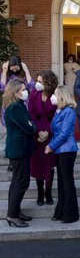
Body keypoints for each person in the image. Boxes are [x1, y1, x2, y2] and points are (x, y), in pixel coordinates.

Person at [3, 79, 36, 227]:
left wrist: (30, 124)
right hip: (18, 149)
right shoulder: (15, 107)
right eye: (22, 89)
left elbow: (28, 123)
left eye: (25, 89)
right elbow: (28, 127)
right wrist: (32, 127)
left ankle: (15, 211)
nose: (25, 92)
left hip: (20, 149)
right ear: (14, 92)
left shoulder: (19, 105)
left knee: (18, 181)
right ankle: (12, 215)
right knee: (21, 182)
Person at [45, 85, 79, 223]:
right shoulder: (59, 110)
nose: (53, 96)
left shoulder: (69, 111)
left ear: (62, 95)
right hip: (60, 150)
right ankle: (61, 211)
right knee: (61, 182)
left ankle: (70, 214)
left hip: (67, 150)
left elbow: (64, 133)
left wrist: (50, 146)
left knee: (67, 182)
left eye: (55, 93)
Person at [28, 70, 58, 206]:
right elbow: (31, 114)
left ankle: (48, 192)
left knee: (49, 165)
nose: (37, 84)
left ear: (48, 83)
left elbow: (56, 116)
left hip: (51, 134)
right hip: (37, 135)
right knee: (38, 163)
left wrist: (47, 131)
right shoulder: (34, 94)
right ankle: (40, 192)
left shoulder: (55, 95)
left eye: (40, 82)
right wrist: (39, 131)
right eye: (37, 81)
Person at [1, 55, 35, 172]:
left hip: (23, 106)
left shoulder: (23, 77)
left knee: (23, 132)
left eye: (16, 67)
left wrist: (26, 70)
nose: (14, 70)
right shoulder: (7, 76)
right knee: (12, 133)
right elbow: (2, 87)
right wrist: (4, 71)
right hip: (10, 107)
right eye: (12, 67)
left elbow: (32, 86)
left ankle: (24, 158)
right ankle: (12, 161)